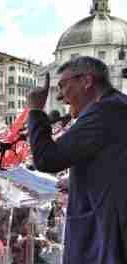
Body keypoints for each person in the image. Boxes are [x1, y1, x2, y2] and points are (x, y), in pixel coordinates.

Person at [26, 56, 127, 264]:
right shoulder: (119, 105)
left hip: (105, 234)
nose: (61, 97)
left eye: (63, 85)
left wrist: (35, 110)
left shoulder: (103, 112)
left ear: (87, 81)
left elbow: (46, 159)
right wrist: (73, 181)